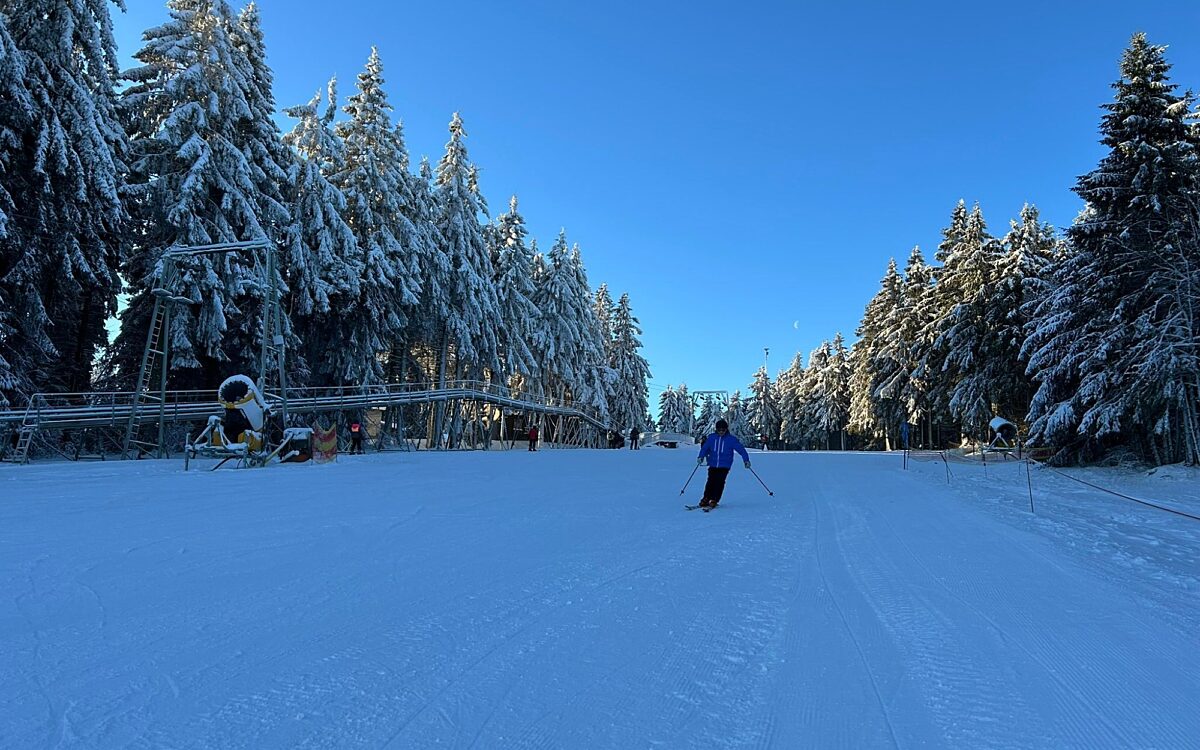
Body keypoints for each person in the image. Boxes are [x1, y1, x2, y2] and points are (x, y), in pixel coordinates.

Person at [695, 419, 750, 508]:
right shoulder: (712, 438)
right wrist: (700, 457)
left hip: (725, 465)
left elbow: (741, 450)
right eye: (719, 430)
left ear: (726, 430)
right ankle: (706, 498)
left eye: (723, 430)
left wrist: (746, 460)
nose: (721, 432)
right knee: (710, 481)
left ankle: (714, 499)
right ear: (716, 429)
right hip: (713, 463)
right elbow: (705, 448)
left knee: (719, 482)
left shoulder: (731, 440)